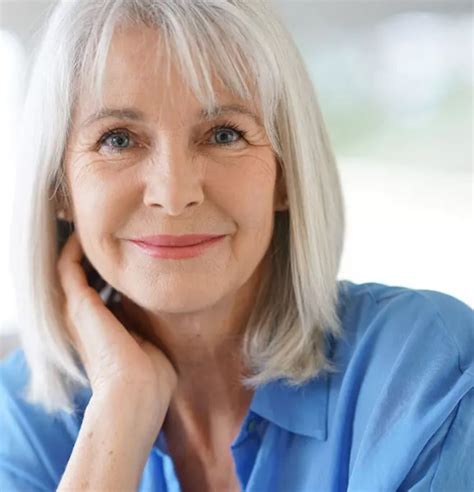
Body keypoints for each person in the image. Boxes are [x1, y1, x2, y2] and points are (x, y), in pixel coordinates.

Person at [1, 0, 473, 491]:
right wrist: (122, 405)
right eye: (118, 139)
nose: (175, 193)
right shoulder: (24, 412)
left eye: (223, 134)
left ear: (287, 174)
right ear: (60, 190)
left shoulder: (421, 366)